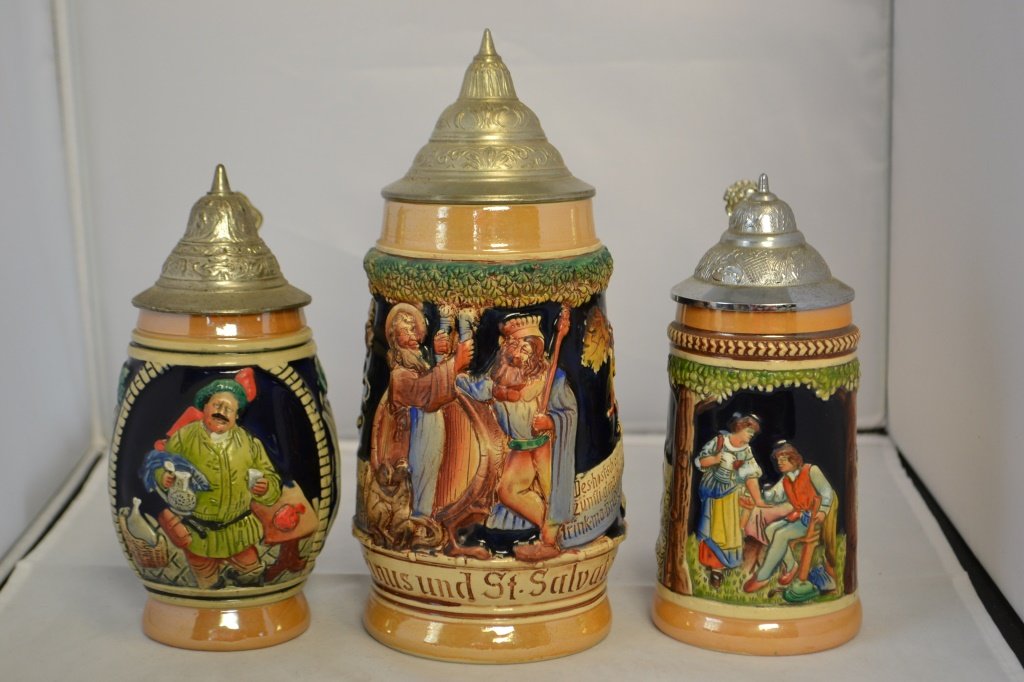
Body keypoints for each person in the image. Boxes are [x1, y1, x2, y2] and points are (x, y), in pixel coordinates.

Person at [457, 314, 577, 561]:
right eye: (513, 345)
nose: (517, 353)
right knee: (508, 490)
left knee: (552, 491)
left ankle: (549, 541)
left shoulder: (549, 379)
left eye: (524, 348)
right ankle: (553, 533)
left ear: (536, 353)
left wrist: (551, 421)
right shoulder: (499, 377)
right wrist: (453, 373)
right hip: (520, 447)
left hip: (544, 446)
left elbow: (570, 411)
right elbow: (474, 388)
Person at [152, 377, 282, 588]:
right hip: (198, 529)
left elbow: (270, 476)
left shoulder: (249, 443)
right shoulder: (184, 438)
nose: (222, 412)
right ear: (204, 407)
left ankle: (248, 585)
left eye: (229, 409)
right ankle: (209, 588)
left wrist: (266, 487)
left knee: (250, 567)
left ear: (237, 416)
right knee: (203, 569)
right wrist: (163, 476)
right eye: (217, 405)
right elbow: (162, 463)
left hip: (238, 528)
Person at [370, 303, 473, 517]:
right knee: (421, 474)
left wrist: (442, 355)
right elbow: (422, 391)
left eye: (413, 328)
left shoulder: (416, 361)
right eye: (406, 330)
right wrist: (454, 364)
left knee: (429, 472)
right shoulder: (399, 372)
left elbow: (430, 382)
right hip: (413, 434)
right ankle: (418, 518)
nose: (413, 333)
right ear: (394, 337)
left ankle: (422, 516)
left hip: (427, 426)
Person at [742, 442, 835, 594]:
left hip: (814, 520)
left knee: (781, 534)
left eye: (783, 459)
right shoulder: (786, 480)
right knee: (770, 530)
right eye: (778, 460)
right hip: (799, 518)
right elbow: (774, 496)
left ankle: (763, 576)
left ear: (794, 459)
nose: (779, 463)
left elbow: (827, 491)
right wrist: (756, 495)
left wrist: (823, 511)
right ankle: (791, 566)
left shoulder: (811, 470)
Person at [694, 413, 763, 588]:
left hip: (733, 496)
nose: (750, 436)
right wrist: (716, 459)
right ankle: (714, 567)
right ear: (739, 428)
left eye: (752, 433)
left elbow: (751, 476)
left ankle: (723, 567)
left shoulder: (746, 451)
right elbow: (701, 461)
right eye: (749, 431)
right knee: (714, 530)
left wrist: (758, 499)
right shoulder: (719, 442)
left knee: (731, 532)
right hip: (714, 494)